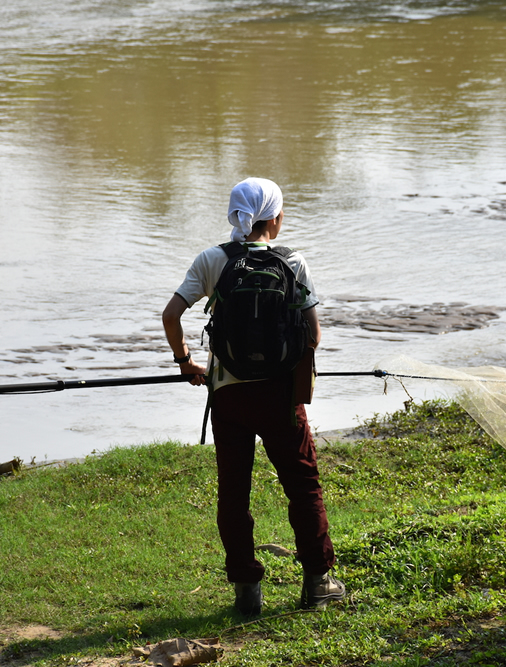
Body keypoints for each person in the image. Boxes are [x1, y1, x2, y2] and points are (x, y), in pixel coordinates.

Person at [162, 177, 346, 616]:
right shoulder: (293, 262)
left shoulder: (212, 261)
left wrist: (186, 361)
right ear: (276, 218)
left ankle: (247, 591)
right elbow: (314, 336)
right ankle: (319, 584)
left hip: (229, 399)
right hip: (282, 399)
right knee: (303, 489)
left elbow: (171, 315)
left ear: (235, 215)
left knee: (234, 493)